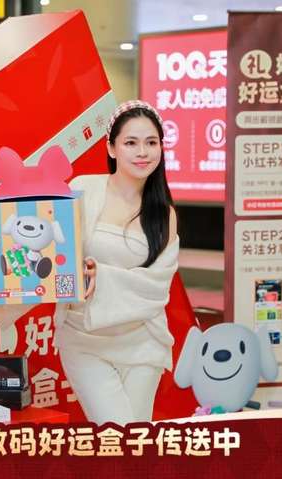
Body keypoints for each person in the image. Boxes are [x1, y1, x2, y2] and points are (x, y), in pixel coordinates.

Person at [53, 100, 179, 425]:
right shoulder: (82, 189)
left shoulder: (163, 214)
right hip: (84, 339)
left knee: (136, 441)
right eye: (131, 143)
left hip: (142, 341)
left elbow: (156, 287)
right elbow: (57, 253)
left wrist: (102, 275)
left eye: (151, 142)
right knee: (117, 433)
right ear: (111, 148)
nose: (143, 152)